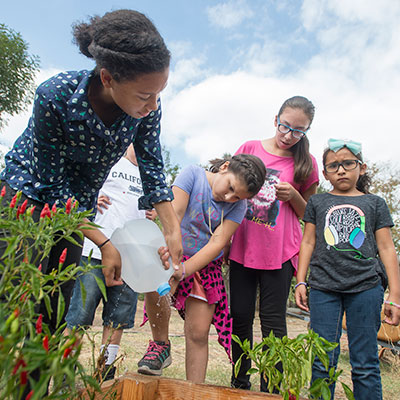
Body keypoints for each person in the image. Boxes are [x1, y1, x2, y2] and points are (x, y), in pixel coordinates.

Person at [0, 9, 182, 336]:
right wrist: (104, 242)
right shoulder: (55, 96)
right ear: (108, 78)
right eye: (145, 95)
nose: (153, 105)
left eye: (159, 94)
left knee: (53, 310)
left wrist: (172, 229)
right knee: (11, 298)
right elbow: (51, 186)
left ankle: (37, 387)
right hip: (26, 199)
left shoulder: (145, 110)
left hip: (77, 211)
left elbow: (153, 167)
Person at [137, 154, 266, 383]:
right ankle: (160, 345)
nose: (229, 197)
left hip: (204, 265)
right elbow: (174, 215)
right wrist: (173, 266)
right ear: (225, 167)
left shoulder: (239, 206)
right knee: (155, 279)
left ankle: (193, 391)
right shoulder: (192, 174)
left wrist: (183, 271)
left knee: (198, 333)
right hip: (172, 248)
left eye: (236, 196)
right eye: (230, 188)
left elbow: (218, 241)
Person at [295, 139, 400, 400]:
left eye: (348, 163)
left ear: (361, 168)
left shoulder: (375, 204)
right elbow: (308, 242)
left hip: (366, 288)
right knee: (322, 361)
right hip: (323, 288)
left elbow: (386, 249)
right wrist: (300, 281)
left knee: (365, 363)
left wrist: (395, 296)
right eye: (334, 165)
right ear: (326, 173)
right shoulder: (317, 203)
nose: (341, 170)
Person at [228, 96, 319, 392]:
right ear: (275, 118)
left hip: (279, 253)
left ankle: (272, 388)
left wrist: (293, 195)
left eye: (298, 131)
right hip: (243, 245)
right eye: (284, 125)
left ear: (306, 131)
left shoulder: (307, 164)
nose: (288, 135)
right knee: (240, 316)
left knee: (273, 324)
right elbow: (229, 191)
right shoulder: (249, 148)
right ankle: (240, 381)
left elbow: (310, 215)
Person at [65, 144, 155, 381]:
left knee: (116, 322)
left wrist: (153, 213)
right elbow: (81, 189)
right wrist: (91, 200)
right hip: (94, 253)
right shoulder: (110, 160)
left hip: (130, 260)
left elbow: (152, 209)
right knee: (78, 319)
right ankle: (63, 379)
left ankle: (103, 380)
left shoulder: (151, 174)